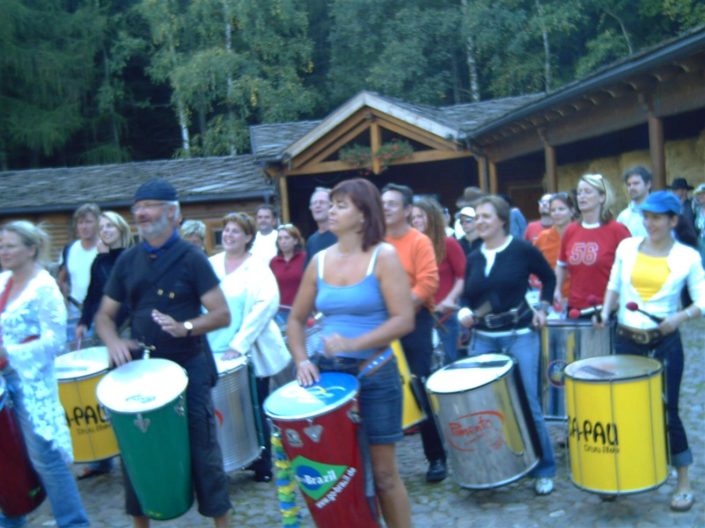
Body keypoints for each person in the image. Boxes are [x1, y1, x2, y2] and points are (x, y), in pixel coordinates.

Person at [95, 178, 231, 528]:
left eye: (149, 205)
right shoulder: (127, 260)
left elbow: (221, 314)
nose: (140, 212)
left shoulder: (192, 258)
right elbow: (104, 317)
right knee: (136, 453)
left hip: (189, 367)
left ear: (172, 213)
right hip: (143, 370)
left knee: (204, 452)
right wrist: (113, 341)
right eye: (137, 206)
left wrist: (185, 327)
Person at [288, 178, 414, 528]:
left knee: (385, 475)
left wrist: (354, 344)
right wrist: (301, 360)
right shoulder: (318, 261)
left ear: (363, 215)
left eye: (341, 205)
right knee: (341, 474)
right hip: (330, 378)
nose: (331, 210)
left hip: (375, 374)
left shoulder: (383, 256)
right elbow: (296, 321)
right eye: (331, 203)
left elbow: (404, 320)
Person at [597, 190, 704, 512]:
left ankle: (682, 480)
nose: (649, 223)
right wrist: (605, 312)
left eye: (657, 217)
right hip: (627, 340)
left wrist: (680, 317)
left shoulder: (688, 256)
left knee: (667, 411)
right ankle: (626, 474)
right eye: (646, 216)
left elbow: (702, 300)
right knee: (624, 409)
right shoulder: (627, 247)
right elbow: (614, 284)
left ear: (673, 220)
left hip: (665, 343)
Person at [457, 195, 557, 495]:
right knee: (483, 406)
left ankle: (544, 467)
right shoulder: (474, 256)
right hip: (483, 338)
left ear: (502, 220)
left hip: (520, 336)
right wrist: (463, 310)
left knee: (528, 402)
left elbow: (549, 279)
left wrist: (542, 308)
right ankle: (497, 466)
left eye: (487, 216)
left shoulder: (522, 249)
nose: (480, 221)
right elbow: (468, 295)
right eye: (477, 216)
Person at [0, 221, 90, 528]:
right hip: (2, 382)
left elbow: (55, 341)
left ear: (31, 248)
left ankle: (74, 522)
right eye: (1, 246)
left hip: (31, 382)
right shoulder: (2, 283)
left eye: (10, 245)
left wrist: (10, 354)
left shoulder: (44, 287)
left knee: (45, 457)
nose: (3, 251)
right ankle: (11, 519)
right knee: (6, 456)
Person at [207, 213, 290, 483]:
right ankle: (228, 457)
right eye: (226, 230)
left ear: (248, 237)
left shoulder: (258, 268)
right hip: (212, 348)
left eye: (236, 231)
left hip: (249, 351)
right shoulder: (211, 264)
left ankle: (262, 462)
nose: (229, 235)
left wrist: (239, 343)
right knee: (221, 410)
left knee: (252, 406)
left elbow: (264, 307)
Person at [381, 183, 447, 483]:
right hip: (381, 325)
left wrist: (400, 309)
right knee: (381, 389)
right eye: (383, 203)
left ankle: (436, 457)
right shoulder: (376, 241)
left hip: (414, 321)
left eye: (392, 204)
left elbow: (428, 284)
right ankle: (382, 461)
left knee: (418, 384)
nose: (385, 208)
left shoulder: (419, 241)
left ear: (407, 210)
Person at [74, 211, 134, 479]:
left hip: (129, 330)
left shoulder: (133, 257)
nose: (105, 230)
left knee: (129, 390)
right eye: (102, 227)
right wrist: (83, 321)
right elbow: (92, 297)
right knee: (104, 392)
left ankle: (135, 450)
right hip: (104, 330)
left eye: (110, 226)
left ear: (121, 228)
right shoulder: (99, 261)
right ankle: (104, 458)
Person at [555, 174, 631, 312]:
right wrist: (557, 289)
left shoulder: (618, 230)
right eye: (579, 193)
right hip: (575, 309)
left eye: (587, 192)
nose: (581, 196)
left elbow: (631, 269)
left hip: (607, 308)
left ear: (602, 197)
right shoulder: (571, 230)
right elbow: (562, 264)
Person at [411, 198, 466, 365]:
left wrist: (450, 299)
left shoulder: (448, 242)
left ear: (432, 217)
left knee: (448, 366)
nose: (416, 221)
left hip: (444, 317)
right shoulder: (413, 246)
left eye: (420, 216)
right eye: (413, 218)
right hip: (419, 317)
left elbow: (462, 276)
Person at [58, 203, 101, 342]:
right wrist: (65, 304)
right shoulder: (70, 249)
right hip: (76, 310)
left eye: (88, 222)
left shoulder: (106, 248)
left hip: (100, 310)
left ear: (98, 223)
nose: (84, 226)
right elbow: (62, 278)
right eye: (80, 222)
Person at [534, 192, 577, 300]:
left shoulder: (582, 234)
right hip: (551, 298)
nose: (556, 213)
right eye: (553, 210)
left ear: (572, 211)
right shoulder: (543, 237)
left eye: (561, 209)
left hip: (578, 297)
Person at [269, 223, 306, 327]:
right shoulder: (274, 262)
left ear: (295, 240)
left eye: (286, 238)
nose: (283, 241)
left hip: (301, 311)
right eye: (280, 239)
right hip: (279, 312)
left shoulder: (305, 258)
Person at [616, 166, 652, 237]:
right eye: (629, 185)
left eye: (636, 183)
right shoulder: (623, 217)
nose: (631, 188)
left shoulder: (660, 212)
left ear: (648, 184)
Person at [305, 187, 337, 266]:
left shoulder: (342, 236)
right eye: (314, 203)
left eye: (322, 202)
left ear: (331, 206)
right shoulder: (311, 241)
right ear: (310, 208)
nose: (317, 206)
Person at [693, 183, 705, 264]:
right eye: (698, 194)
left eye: (702, 194)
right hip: (700, 243)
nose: (699, 196)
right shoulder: (698, 210)